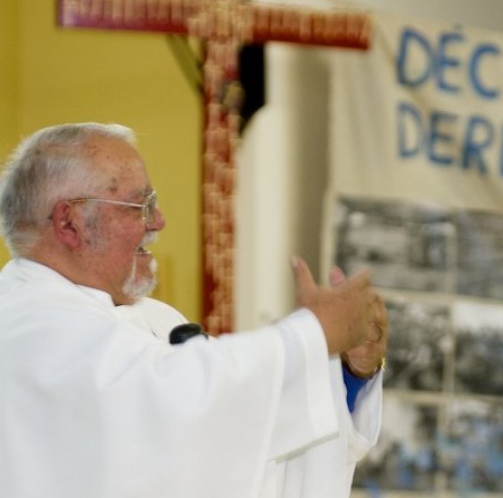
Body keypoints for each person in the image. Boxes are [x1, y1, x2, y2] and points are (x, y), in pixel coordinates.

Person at [0, 122, 388, 498]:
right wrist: (315, 334)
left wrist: (348, 372)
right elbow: (171, 411)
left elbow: (244, 447)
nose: (158, 221)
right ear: (69, 222)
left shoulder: (156, 319)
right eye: (139, 205)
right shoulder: (28, 326)